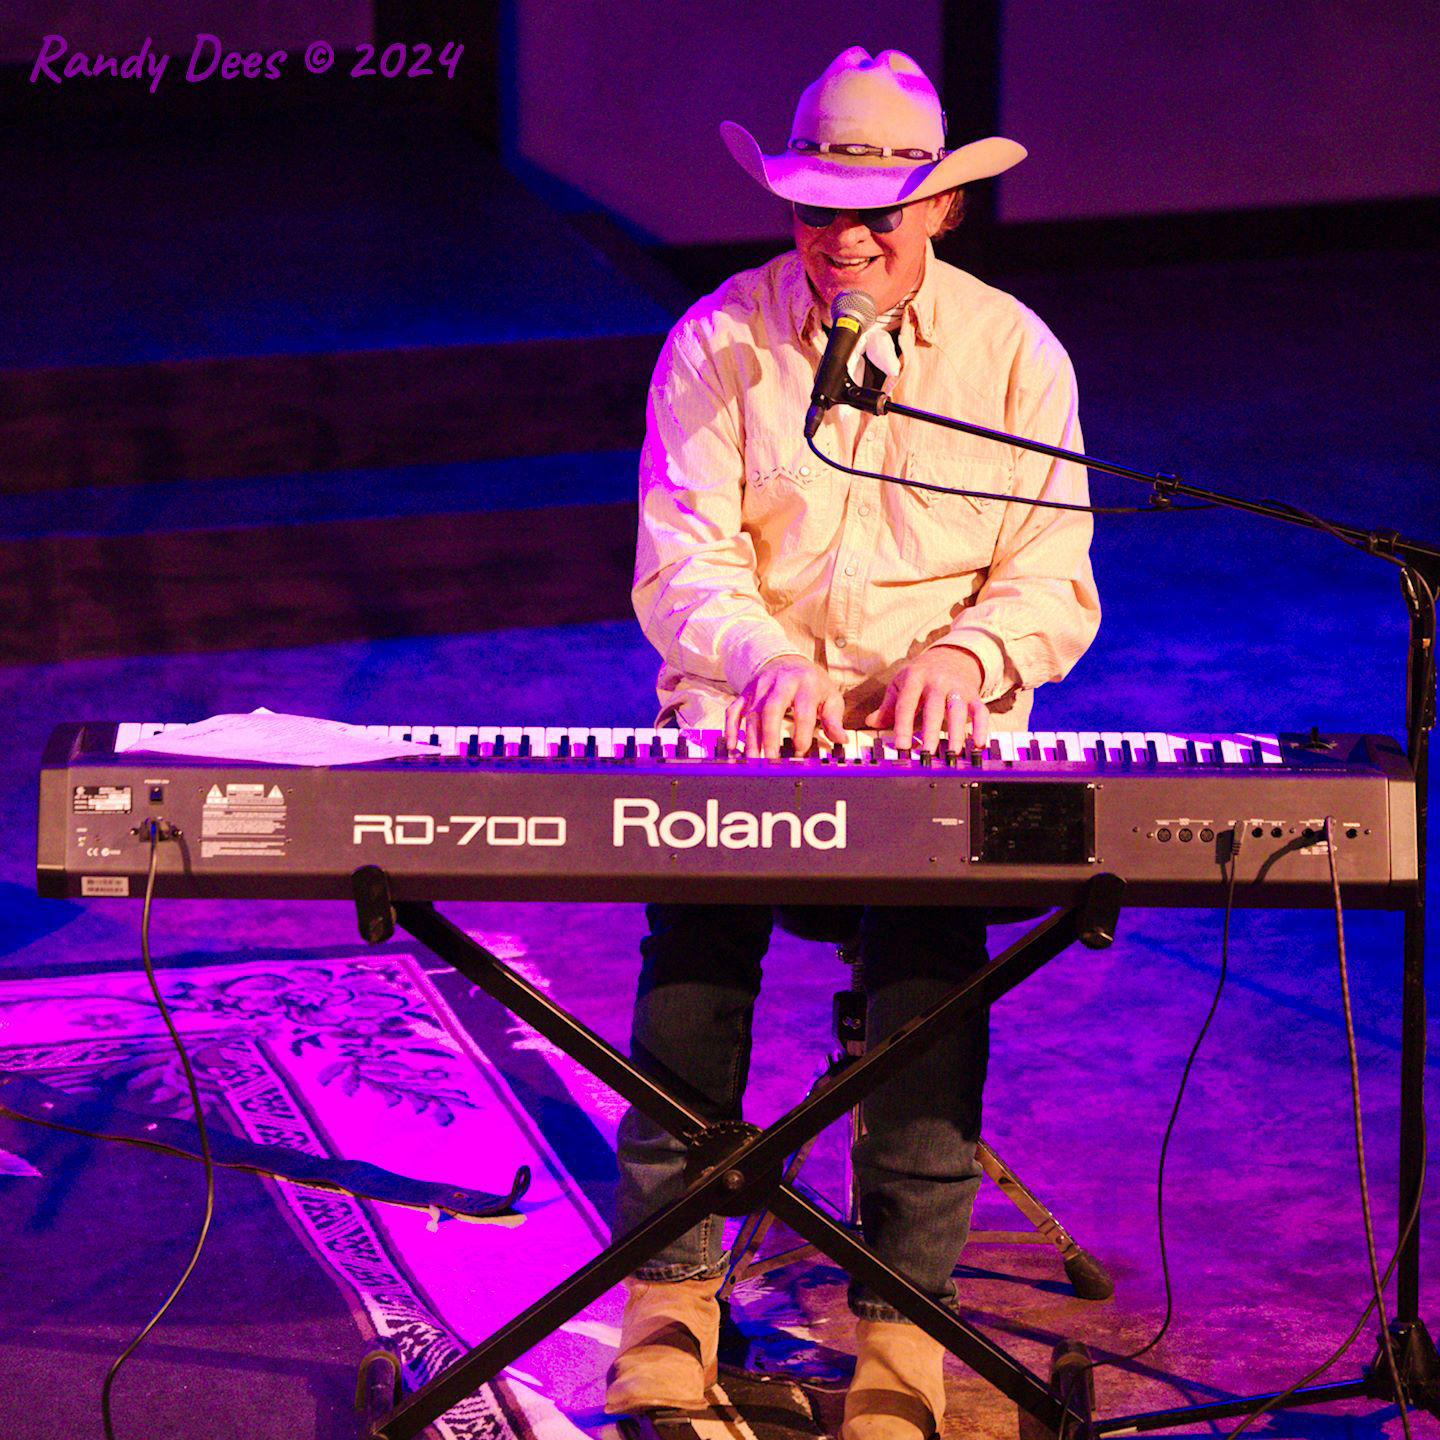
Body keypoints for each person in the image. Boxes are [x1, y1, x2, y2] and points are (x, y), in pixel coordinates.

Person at [607, 46, 1100, 1440]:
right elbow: (683, 560)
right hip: (748, 722)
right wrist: (761, 660)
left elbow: (1050, 576)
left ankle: (903, 1336)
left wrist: (966, 655)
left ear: (939, 208)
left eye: (877, 216)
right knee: (693, 973)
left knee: (928, 992)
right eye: (818, 213)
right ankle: (667, 1309)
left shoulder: (1013, 355)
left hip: (932, 743)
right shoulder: (719, 338)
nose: (847, 243)